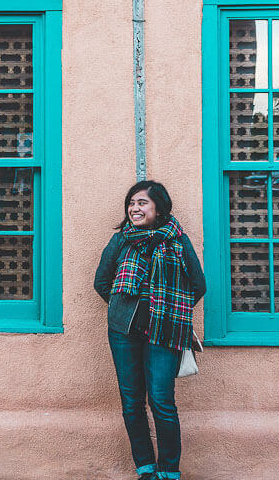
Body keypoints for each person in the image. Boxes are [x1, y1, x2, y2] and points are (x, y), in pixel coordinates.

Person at [94, 180, 206, 480]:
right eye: (131, 202)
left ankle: (168, 471)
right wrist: (124, 307)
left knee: (161, 401)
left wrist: (172, 311)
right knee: (132, 403)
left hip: (165, 332)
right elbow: (101, 282)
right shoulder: (121, 240)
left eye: (142, 202)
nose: (134, 208)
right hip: (123, 332)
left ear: (159, 207)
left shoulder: (178, 240)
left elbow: (198, 285)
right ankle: (145, 469)